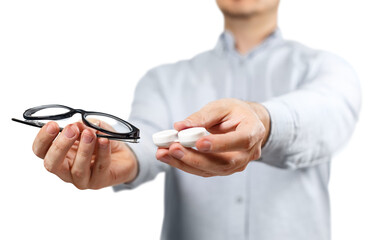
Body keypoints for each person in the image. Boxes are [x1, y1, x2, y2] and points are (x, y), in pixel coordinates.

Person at [31, 0, 361, 239]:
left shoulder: (327, 69)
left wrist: (263, 120)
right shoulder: (164, 79)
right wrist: (122, 153)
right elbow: (147, 136)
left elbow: (327, 115)